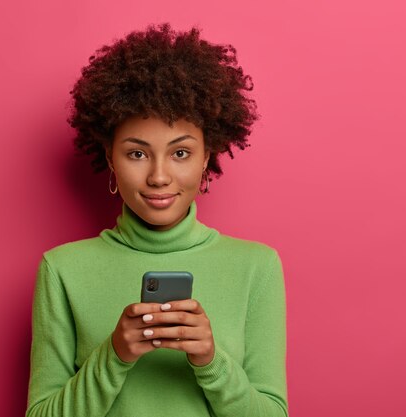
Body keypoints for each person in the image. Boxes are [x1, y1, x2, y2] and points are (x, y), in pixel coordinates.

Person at [26, 23, 288, 417]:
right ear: (110, 157)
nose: (159, 177)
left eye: (180, 153)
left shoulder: (257, 267)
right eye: (137, 153)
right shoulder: (61, 269)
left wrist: (211, 362)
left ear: (207, 157)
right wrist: (114, 354)